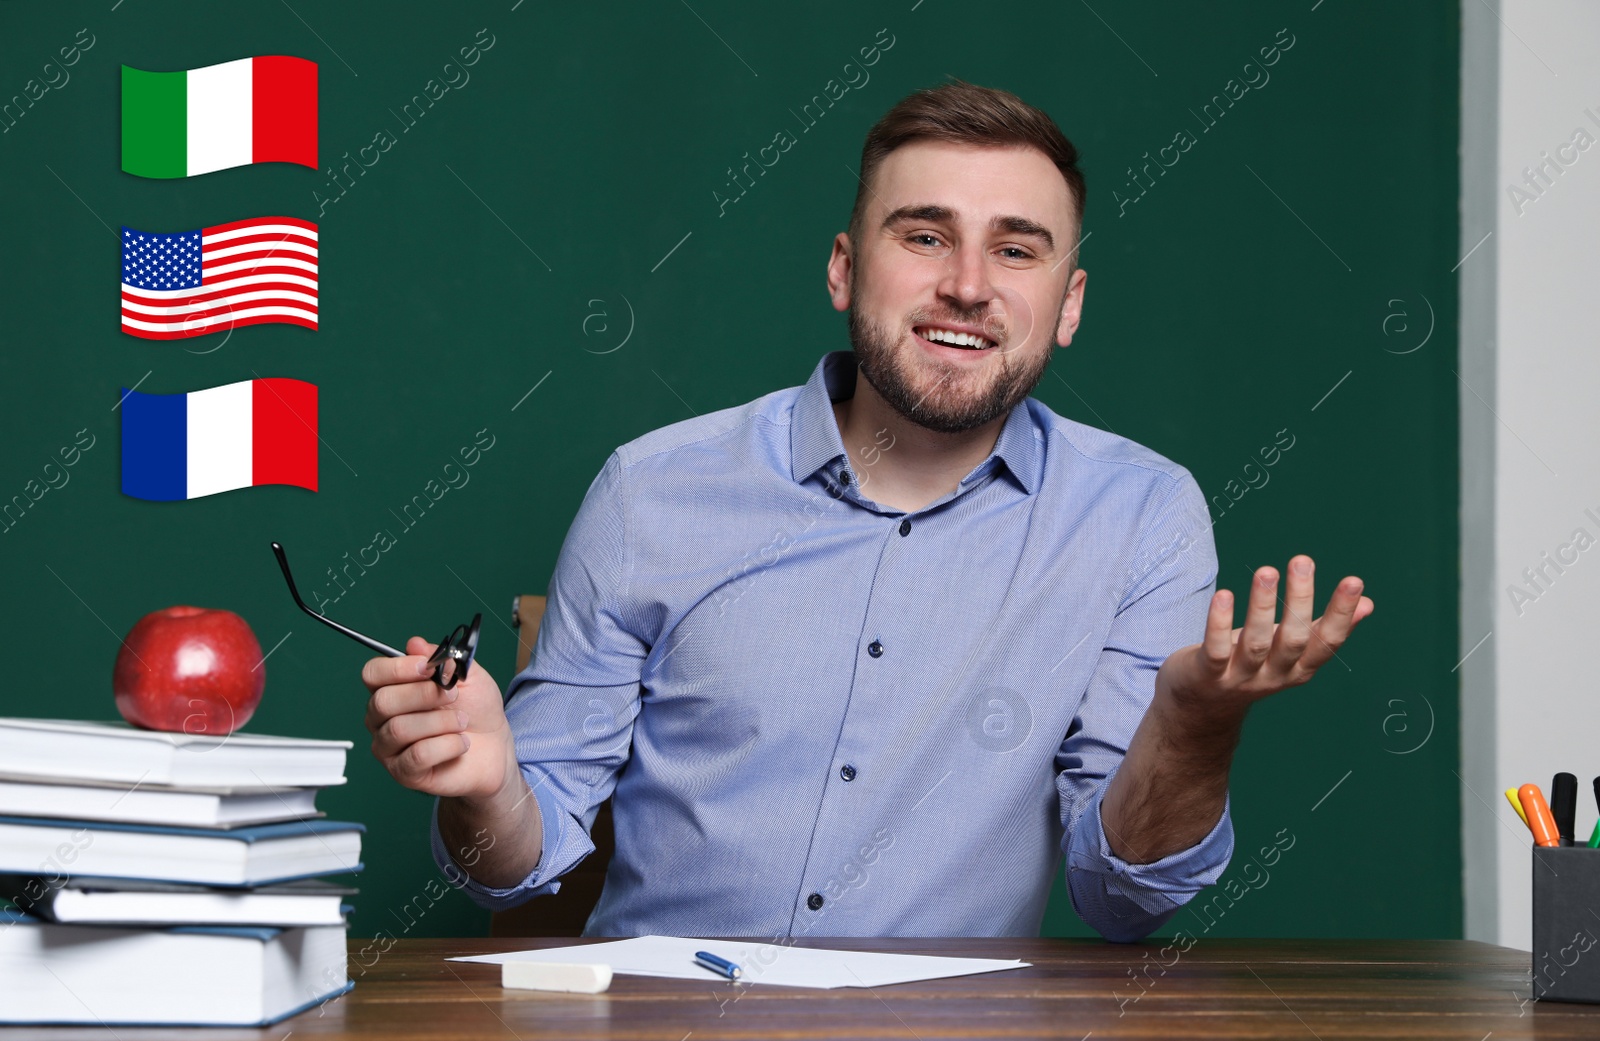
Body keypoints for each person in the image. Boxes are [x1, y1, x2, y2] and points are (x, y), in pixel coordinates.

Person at [361, 79, 1373, 940]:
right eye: (925, 236)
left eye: (1017, 252)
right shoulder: (652, 490)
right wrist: (488, 786)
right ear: (846, 268)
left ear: (1067, 306)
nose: (968, 286)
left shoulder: (1141, 515)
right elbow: (506, 870)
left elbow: (1122, 901)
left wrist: (1193, 725)